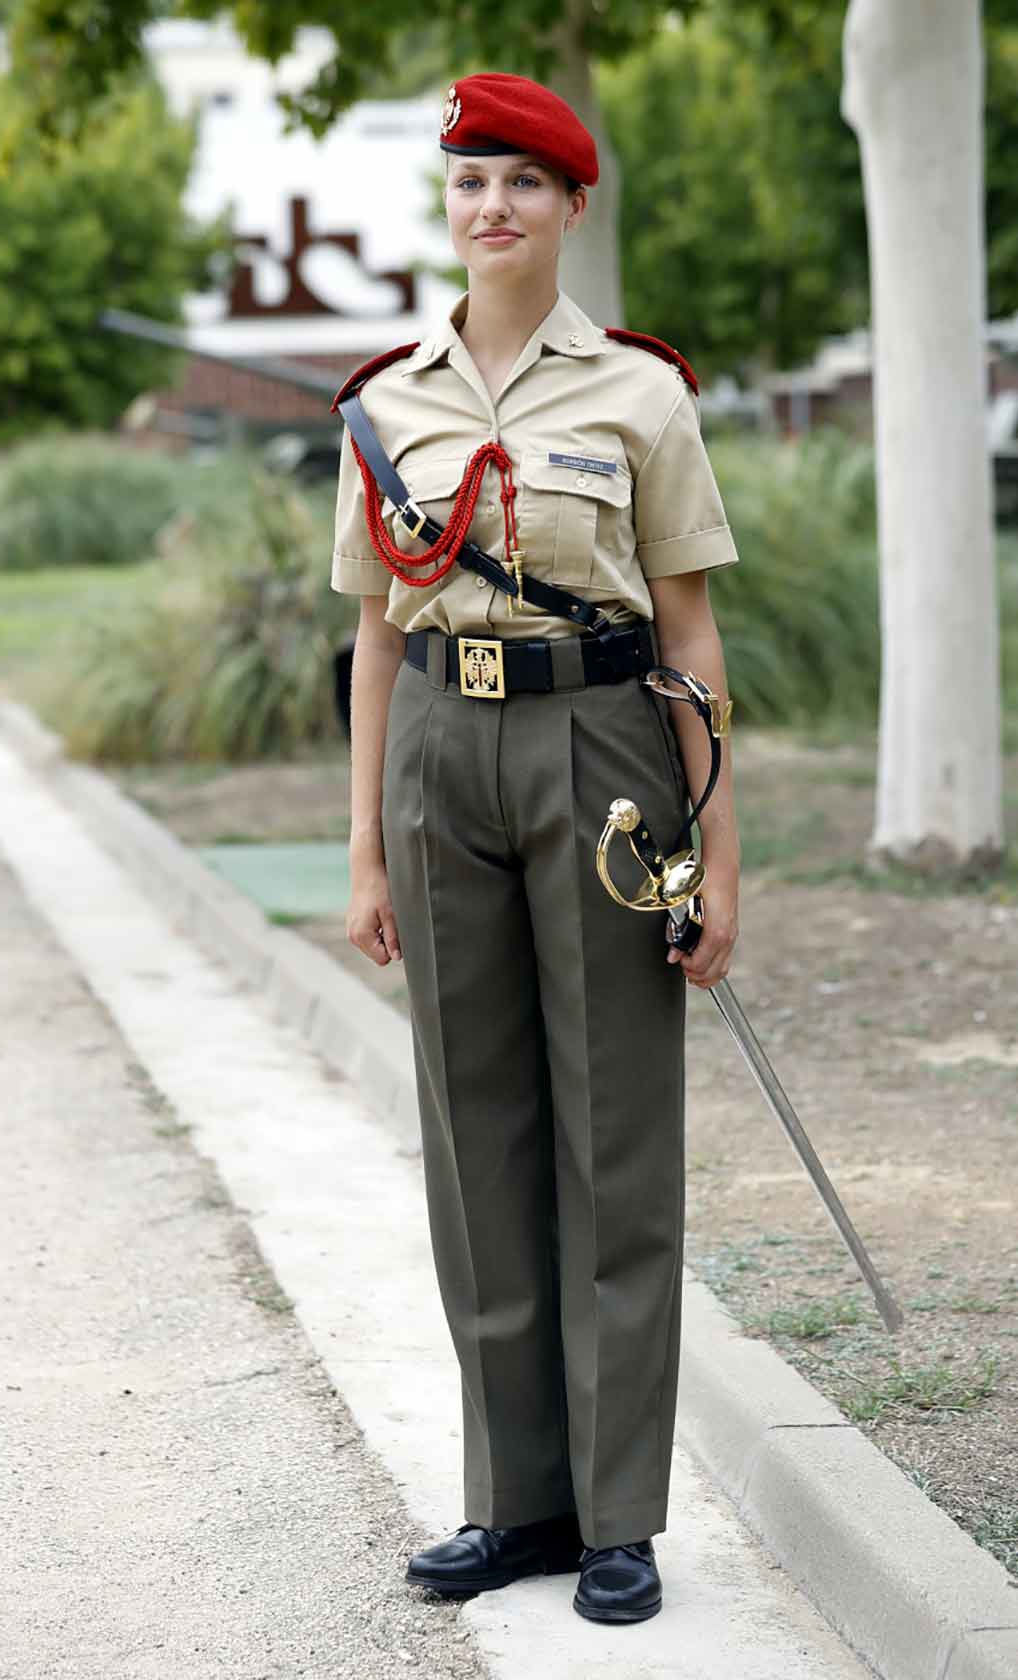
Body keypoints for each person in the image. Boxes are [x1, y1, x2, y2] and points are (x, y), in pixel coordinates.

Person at [329, 71, 740, 1626]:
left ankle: (619, 1515)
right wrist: (364, 842)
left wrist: (720, 860)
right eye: (465, 183)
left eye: (519, 183)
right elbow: (374, 636)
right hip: (442, 747)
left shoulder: (640, 396)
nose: (488, 207)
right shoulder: (388, 400)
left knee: (611, 1135)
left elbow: (689, 632)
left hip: (606, 755)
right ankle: (514, 1505)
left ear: (573, 208)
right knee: (474, 1132)